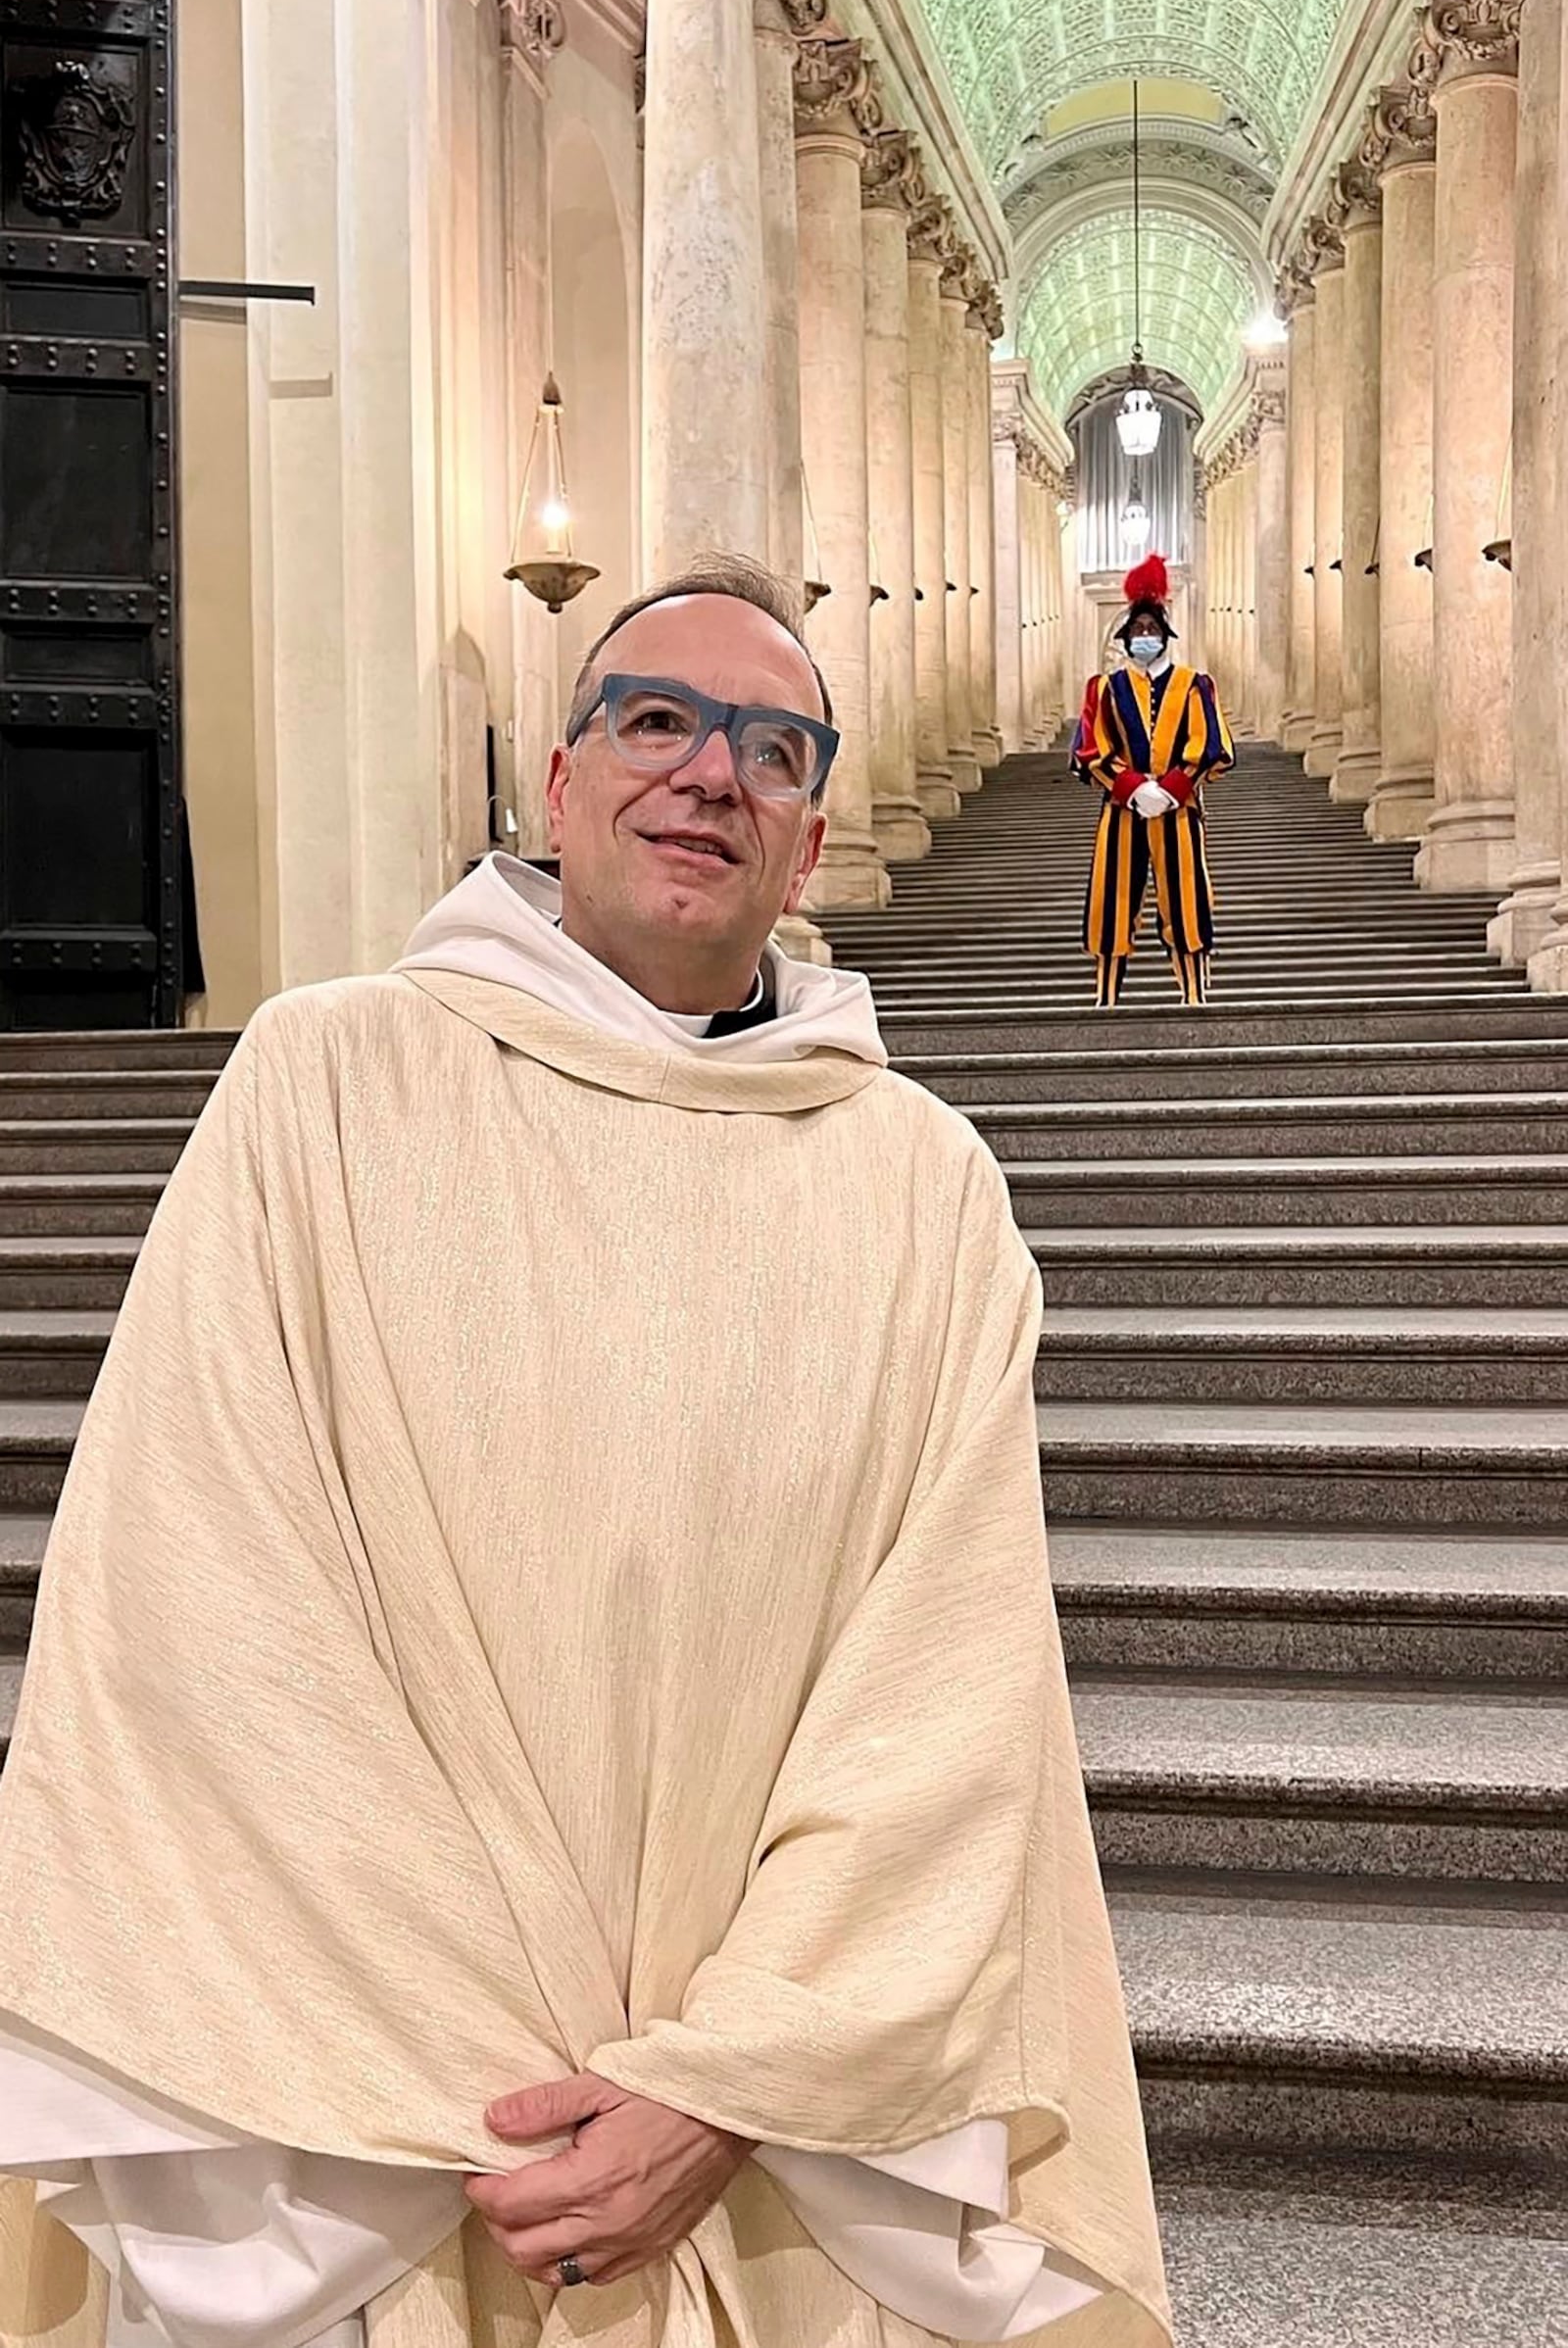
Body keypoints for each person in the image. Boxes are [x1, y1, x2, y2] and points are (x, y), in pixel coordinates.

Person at [0, 559, 1170, 2348]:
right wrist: (495, 2072)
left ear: (812, 838)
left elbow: (951, 1688)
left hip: (775, 2149)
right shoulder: (325, 1085)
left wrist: (726, 2080)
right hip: (373, 2110)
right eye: (655, 719)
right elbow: (197, 1605)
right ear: (560, 784)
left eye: (770, 750)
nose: (709, 771)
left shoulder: (922, 1188)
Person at [1071, 555, 1234, 1007]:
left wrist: (1172, 789)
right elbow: (1090, 749)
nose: (1145, 636)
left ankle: (1195, 995)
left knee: (1186, 902)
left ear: (1165, 634)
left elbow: (1213, 746)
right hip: (1123, 812)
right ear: (1126, 638)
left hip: (1179, 812)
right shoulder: (1104, 689)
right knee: (1112, 902)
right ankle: (1105, 998)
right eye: (1137, 630)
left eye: (1151, 629)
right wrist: (1132, 787)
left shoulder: (1195, 684)